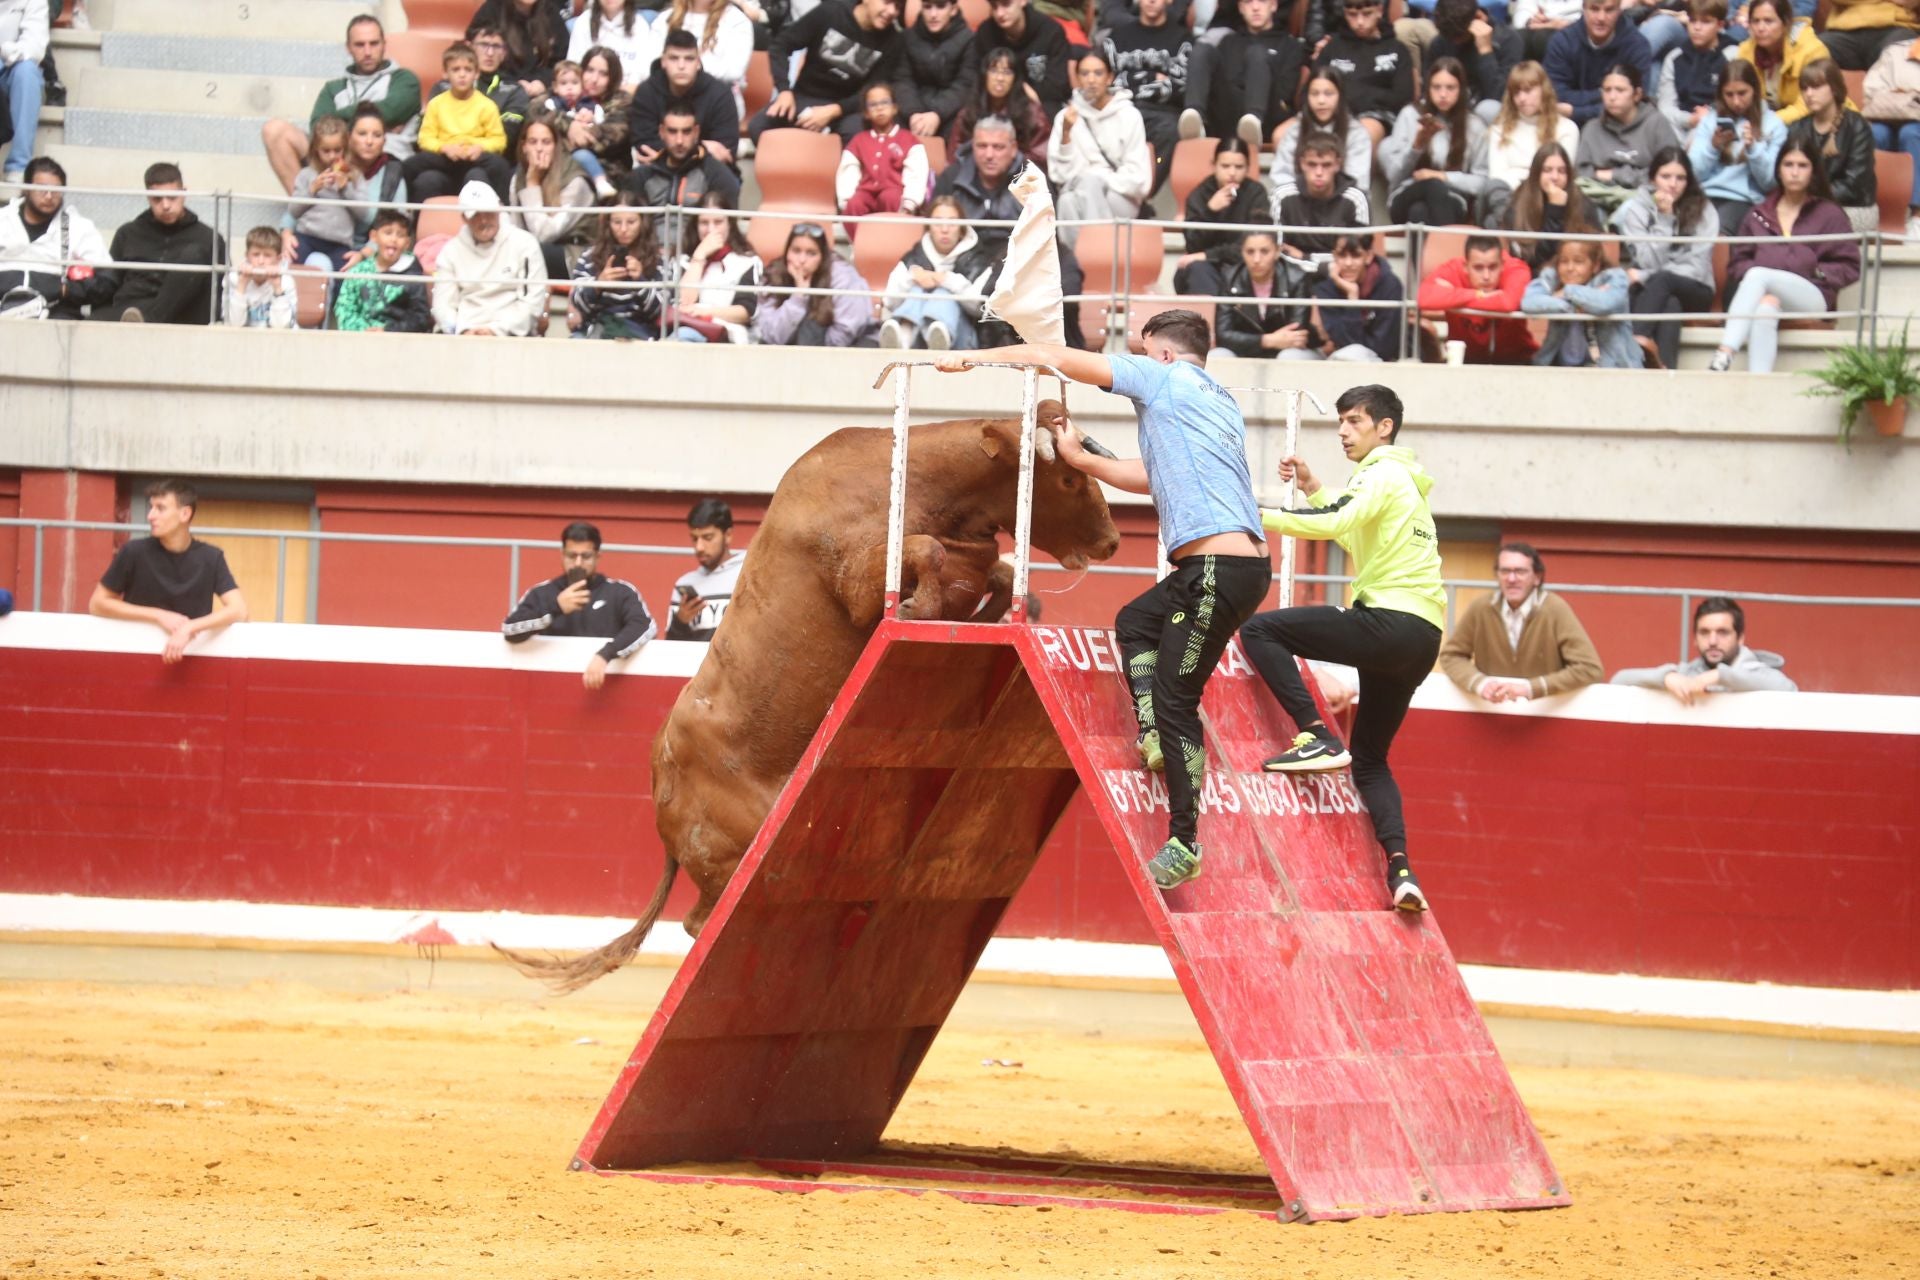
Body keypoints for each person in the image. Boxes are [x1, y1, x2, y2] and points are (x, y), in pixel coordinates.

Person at [936, 311, 1273, 894]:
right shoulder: (1217, 401)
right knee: (1135, 622)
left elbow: (1056, 357)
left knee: (1177, 699)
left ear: (1162, 354)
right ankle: (1153, 732)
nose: (1134, 362)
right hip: (1229, 566)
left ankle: (1185, 841)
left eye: (1141, 351)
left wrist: (973, 358)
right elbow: (1153, 475)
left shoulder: (1163, 376)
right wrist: (1085, 460)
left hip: (1217, 569)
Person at [1240, 385, 1445, 913]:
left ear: (1384, 427)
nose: (1342, 431)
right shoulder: (1408, 483)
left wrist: (1249, 514)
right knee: (1371, 760)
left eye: (1354, 421)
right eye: (1340, 422)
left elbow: (1334, 523)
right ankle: (1402, 871)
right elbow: (1352, 536)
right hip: (1423, 639)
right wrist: (1312, 488)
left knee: (1260, 631)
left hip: (1390, 621)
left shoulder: (1380, 472)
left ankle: (1316, 735)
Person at [1708, 137, 1860, 371]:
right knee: (1765, 307)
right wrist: (1765, 272)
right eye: (1788, 165)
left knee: (1759, 274)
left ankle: (1725, 352)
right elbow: (1737, 264)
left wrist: (1817, 271)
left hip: (1813, 295)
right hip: (1766, 294)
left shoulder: (1830, 214)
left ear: (1813, 171)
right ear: (1778, 170)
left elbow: (1850, 265)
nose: (1795, 172)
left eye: (1802, 165)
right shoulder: (1758, 213)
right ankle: (1760, 381)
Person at [88, 479, 248, 665]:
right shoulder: (133, 552)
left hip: (192, 660)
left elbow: (239, 610)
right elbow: (97, 604)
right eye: (151, 507)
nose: (150, 515)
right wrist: (159, 615)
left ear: (185, 514)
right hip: (136, 655)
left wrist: (190, 628)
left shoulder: (212, 557)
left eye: (160, 508)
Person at [262, 15, 421, 193]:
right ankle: (303, 202)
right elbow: (319, 129)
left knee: (365, 144)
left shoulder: (404, 80)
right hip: (336, 157)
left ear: (384, 44)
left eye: (374, 43)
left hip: (385, 160)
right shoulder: (333, 88)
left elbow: (390, 112)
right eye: (359, 45)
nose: (368, 51)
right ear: (348, 47)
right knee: (274, 130)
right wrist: (375, 120)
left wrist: (339, 120)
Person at [1439, 543, 1603, 701]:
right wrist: (1480, 683)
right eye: (1505, 571)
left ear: (1537, 577)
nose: (1511, 578)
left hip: (1544, 711)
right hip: (1489, 709)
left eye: (1520, 571)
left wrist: (1530, 688)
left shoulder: (1555, 609)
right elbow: (1451, 656)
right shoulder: (1481, 607)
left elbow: (1589, 668)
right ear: (1497, 575)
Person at [502, 520, 656, 690]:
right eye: (571, 556)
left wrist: (605, 655)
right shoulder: (542, 593)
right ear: (562, 554)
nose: (577, 563)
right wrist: (556, 607)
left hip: (604, 691)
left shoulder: (619, 592)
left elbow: (645, 626)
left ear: (597, 556)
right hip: (550, 689)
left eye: (586, 556)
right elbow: (510, 630)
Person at [1612, 144, 1717, 367]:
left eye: (1680, 178)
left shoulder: (1704, 209)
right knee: (1670, 303)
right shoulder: (1637, 210)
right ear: (1653, 179)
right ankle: (1666, 369)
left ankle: (1636, 342)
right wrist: (1665, 218)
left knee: (1662, 281)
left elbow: (1697, 265)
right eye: (1665, 176)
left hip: (1696, 287)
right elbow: (1647, 260)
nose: (1673, 184)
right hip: (1657, 292)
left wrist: (1646, 275)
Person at [92, 162, 228, 325]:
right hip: (131, 310)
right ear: (148, 197)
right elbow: (108, 284)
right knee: (92, 321)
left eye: (172, 197)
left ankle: (150, 321)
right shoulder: (127, 233)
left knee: (195, 255)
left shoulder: (209, 238)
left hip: (185, 315)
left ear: (184, 193)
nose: (165, 205)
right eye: (157, 199)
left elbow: (221, 292)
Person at [753, 0, 904, 143]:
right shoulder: (831, 12)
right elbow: (780, 46)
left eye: (898, 6)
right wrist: (784, 91)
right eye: (887, 2)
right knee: (758, 126)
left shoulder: (894, 41)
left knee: (858, 136)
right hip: (805, 95)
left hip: (847, 108)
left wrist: (834, 110)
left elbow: (873, 90)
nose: (892, 11)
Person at [1048, 49, 1153, 245]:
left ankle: (1097, 252)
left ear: (1109, 77)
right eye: (1084, 73)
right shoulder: (1065, 118)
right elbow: (1060, 176)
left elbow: (1138, 179)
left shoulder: (1129, 116)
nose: (1091, 80)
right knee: (1066, 201)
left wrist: (1097, 179)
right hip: (1078, 193)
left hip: (1121, 196)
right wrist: (1066, 134)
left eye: (1098, 73)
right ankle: (1086, 259)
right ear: (1077, 78)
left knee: (1088, 185)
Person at [1610, 595, 1797, 698]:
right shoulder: (1688, 674)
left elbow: (1788, 689)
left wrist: (1721, 676)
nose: (1713, 641)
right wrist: (1665, 677)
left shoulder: (1759, 673)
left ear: (1740, 638)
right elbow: (1618, 680)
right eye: (1704, 632)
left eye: (1722, 632)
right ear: (1695, 638)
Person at [1179, 0, 1306, 148]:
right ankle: (1194, 115)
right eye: (1248, 2)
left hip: (1268, 117)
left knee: (1257, 53)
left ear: (1273, 5)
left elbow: (1284, 95)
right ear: (1240, 8)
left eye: (1262, 1)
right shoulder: (1228, 41)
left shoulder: (1290, 46)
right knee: (1202, 50)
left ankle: (1253, 120)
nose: (1255, 7)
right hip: (1227, 114)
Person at [1381, 57, 1493, 224]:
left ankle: (1427, 242)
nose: (1443, 94)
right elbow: (1394, 177)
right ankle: (1448, 241)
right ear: (1428, 88)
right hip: (1406, 194)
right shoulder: (1410, 115)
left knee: (1419, 211)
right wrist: (1416, 147)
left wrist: (1442, 176)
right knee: (1430, 187)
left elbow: (1482, 182)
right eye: (1436, 87)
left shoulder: (1474, 125)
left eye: (1450, 88)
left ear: (1462, 89)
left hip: (1452, 198)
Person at [430, 179, 549, 336]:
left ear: (499, 209)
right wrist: (462, 331)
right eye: (476, 215)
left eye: (488, 212)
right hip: (464, 334)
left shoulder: (525, 243)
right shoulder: (450, 251)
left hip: (512, 334)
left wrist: (495, 330)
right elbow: (442, 305)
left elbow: (532, 303)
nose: (484, 220)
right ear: (464, 218)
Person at [0, 156, 112, 320]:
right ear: (26, 188)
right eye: (42, 189)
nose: (49, 196)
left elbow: (107, 280)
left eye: (56, 190)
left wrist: (66, 289)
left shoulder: (78, 226)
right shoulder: (3, 219)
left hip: (55, 313)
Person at [878, 193, 995, 348]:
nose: (944, 229)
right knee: (916, 290)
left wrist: (947, 280)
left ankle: (938, 337)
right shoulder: (915, 256)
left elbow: (980, 308)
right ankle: (903, 339)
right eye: (938, 223)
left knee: (943, 293)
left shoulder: (978, 259)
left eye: (952, 223)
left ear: (962, 229)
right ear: (929, 227)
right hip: (916, 338)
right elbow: (889, 301)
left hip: (962, 339)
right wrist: (912, 279)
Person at [405, 42, 512, 201]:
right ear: (445, 73)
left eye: (468, 70)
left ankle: (501, 210)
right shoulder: (436, 104)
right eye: (456, 70)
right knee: (418, 172)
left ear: (476, 73)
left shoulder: (487, 105)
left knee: (496, 166)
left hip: (475, 160)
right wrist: (444, 148)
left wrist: (479, 147)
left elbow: (499, 140)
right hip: (444, 161)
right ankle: (409, 214)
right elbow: (425, 139)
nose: (462, 75)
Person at [1104, 0, 1192, 194]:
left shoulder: (1183, 39)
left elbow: (1183, 88)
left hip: (1163, 112)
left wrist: (1129, 80)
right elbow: (1105, 82)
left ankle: (1142, 194)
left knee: (1172, 130)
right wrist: (1153, 78)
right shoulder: (1118, 36)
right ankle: (1114, 188)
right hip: (1121, 108)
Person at [1689, 56, 1786, 230]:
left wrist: (1753, 149)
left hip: (1743, 199)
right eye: (1729, 94)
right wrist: (1713, 147)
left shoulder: (1774, 124)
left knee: (1718, 231)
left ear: (1755, 90)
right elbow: (1692, 173)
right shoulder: (1710, 121)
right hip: (1704, 195)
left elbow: (1769, 183)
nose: (1736, 102)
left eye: (1742, 93)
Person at [626, 100, 742, 244]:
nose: (679, 140)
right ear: (661, 132)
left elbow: (728, 230)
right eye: (672, 131)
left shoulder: (718, 175)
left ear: (696, 132)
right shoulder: (641, 176)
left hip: (700, 254)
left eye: (686, 132)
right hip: (648, 254)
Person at [1787, 56, 1879, 231]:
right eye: (1804, 88)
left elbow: (1855, 185)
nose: (1809, 94)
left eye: (1816, 87)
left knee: (1810, 225)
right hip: (1808, 204)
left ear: (1834, 88)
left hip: (1855, 207)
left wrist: (1811, 196)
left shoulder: (1857, 126)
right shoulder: (1797, 128)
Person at [1416, 232, 1538, 361]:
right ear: (1465, 267)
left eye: (1493, 267)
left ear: (1502, 265)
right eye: (1478, 268)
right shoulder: (1453, 268)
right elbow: (1423, 298)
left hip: (1517, 359)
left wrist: (1453, 294)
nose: (1486, 276)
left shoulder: (1516, 268)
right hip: (1465, 360)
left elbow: (1508, 303)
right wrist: (1478, 294)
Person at [628, 28, 741, 166]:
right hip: (659, 171)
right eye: (674, 58)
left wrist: (666, 155)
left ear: (698, 63)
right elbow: (645, 145)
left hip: (709, 172)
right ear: (663, 61)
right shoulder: (646, 92)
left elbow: (725, 150)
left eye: (689, 59)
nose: (681, 66)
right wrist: (701, 150)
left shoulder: (720, 94)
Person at [1173, 137, 1270, 298]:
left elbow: (1256, 244)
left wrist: (1208, 255)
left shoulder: (1256, 194)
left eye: (1239, 167)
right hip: (1206, 268)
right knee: (1195, 269)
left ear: (1248, 168)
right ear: (1214, 166)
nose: (1232, 173)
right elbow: (1192, 244)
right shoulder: (1200, 194)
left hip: (1244, 265)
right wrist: (1210, 210)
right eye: (1225, 166)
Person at [1521, 236, 1642, 364]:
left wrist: (1568, 292)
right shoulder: (1553, 277)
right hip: (1561, 366)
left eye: (1578, 261)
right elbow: (1529, 303)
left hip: (1611, 366)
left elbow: (1605, 304)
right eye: (1564, 261)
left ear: (1595, 265)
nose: (1570, 268)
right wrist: (1577, 305)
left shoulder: (1615, 277)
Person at [1576, 60, 1681, 207]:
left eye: (1620, 90)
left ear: (1637, 94)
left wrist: (1613, 174)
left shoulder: (1657, 124)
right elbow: (1582, 175)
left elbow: (1670, 173)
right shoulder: (1592, 129)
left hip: (1647, 201)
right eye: (1607, 90)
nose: (1612, 97)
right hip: (1599, 200)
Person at [754, 220, 876, 346]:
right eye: (796, 251)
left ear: (822, 256)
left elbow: (847, 330)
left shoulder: (843, 276)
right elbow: (771, 336)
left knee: (810, 328)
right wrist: (798, 297)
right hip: (789, 346)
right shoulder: (774, 274)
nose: (802, 260)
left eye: (811, 253)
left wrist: (816, 353)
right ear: (787, 252)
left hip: (843, 345)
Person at [1314, 0, 1416, 146]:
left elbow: (1403, 97)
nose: (1360, 22)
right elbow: (1310, 88)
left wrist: (1357, 95)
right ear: (1345, 14)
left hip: (1378, 115)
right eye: (1352, 15)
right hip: (1331, 111)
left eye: (1367, 14)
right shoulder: (1332, 47)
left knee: (1363, 133)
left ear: (1379, 11)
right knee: (1285, 132)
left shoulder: (1397, 49)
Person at [838, 82, 931, 231]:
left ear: (895, 108)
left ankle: (891, 241)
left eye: (884, 103)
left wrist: (910, 202)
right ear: (866, 113)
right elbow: (848, 170)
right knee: (855, 204)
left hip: (894, 192)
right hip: (865, 191)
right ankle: (859, 243)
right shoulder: (858, 140)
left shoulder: (908, 140)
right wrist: (846, 199)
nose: (879, 108)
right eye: (873, 105)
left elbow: (916, 172)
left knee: (890, 198)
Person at [668, 192, 760, 342]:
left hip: (727, 333)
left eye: (718, 222)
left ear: (729, 224)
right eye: (704, 223)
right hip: (687, 328)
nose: (711, 230)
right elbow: (683, 303)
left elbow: (745, 312)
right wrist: (699, 257)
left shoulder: (747, 261)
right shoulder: (683, 260)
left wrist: (705, 312)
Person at [509, 115, 593, 279]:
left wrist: (533, 183)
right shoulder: (518, 178)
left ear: (556, 147)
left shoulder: (575, 180)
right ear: (524, 147)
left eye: (546, 142)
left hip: (574, 256)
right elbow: (516, 228)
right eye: (533, 142)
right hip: (533, 251)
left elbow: (545, 235)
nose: (539, 149)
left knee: (533, 251)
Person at [1215, 229, 1321, 358]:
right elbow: (1222, 336)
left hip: (1291, 351)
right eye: (1250, 252)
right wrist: (1267, 341)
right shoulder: (1230, 278)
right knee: (1217, 355)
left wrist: (1257, 341)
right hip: (1246, 351)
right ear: (1242, 252)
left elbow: (1296, 337)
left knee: (1289, 356)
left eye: (1264, 251)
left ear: (1277, 252)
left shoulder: (1296, 278)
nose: (1256, 259)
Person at [1545, 0, 1654, 125]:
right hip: (1569, 124)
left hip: (1621, 125)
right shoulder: (1562, 42)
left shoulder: (1637, 46)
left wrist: (1576, 112)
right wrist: (1602, 94)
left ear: (1619, 10)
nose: (1601, 18)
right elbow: (1555, 94)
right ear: (1583, 9)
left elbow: (1634, 102)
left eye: (1609, 10)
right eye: (1594, 9)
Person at [1271, 66, 1374, 197]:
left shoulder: (1356, 133)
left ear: (1340, 96)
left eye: (1328, 94)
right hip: (1299, 202)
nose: (1321, 101)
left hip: (1342, 203)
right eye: (1314, 94)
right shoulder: (1294, 131)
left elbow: (1358, 182)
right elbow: (1282, 178)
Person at [1502, 141, 1604, 270]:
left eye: (1561, 171)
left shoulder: (1582, 203)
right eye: (1547, 170)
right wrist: (1555, 210)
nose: (1555, 177)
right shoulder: (1519, 204)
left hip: (1574, 273)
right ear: (1536, 173)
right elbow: (1535, 259)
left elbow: (1594, 250)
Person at [644, 0, 757, 117]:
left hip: (717, 105)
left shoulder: (737, 21)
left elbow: (734, 71)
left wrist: (682, 69)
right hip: (667, 101)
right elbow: (651, 64)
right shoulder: (665, 18)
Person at [947, 46, 1053, 170]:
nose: (1000, 78)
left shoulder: (1031, 112)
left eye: (1007, 72)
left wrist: (1006, 161)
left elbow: (1042, 157)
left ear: (1015, 78)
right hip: (976, 175)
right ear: (984, 75)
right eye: (993, 71)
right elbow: (954, 158)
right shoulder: (969, 112)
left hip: (1019, 175)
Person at [331, 208, 432, 332]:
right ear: (374, 236)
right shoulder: (358, 272)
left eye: (400, 235)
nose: (393, 239)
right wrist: (365, 331)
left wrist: (388, 330)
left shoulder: (413, 275)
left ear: (407, 243)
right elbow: (344, 308)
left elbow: (420, 318)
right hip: (360, 337)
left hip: (397, 338)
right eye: (388, 233)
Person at [1489, 60, 1581, 195]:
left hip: (1549, 196)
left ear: (1544, 90)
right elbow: (1496, 178)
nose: (1521, 98)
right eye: (1516, 93)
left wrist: (1517, 175)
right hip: (1507, 196)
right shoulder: (1499, 130)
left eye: (1528, 90)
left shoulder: (1567, 129)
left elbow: (1559, 177)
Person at [280, 117, 360, 272]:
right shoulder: (306, 175)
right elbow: (293, 210)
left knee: (344, 274)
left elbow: (363, 214)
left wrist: (346, 189)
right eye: (326, 151)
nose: (332, 156)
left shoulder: (354, 176)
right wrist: (312, 190)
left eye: (337, 150)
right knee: (292, 263)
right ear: (316, 150)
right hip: (307, 237)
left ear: (345, 148)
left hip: (339, 243)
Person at [972, 0, 1075, 120]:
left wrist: (1023, 93)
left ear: (1022, 1)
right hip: (998, 103)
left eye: (1006, 4)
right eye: (994, 7)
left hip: (1042, 102)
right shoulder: (986, 32)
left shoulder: (1051, 31)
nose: (1000, 13)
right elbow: (978, 79)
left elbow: (1058, 85)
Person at [1734, 0, 1833, 125]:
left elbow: (1810, 105)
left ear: (1786, 24)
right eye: (1755, 21)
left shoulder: (1812, 51)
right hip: (1771, 122)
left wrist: (1768, 123)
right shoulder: (1746, 51)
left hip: (1818, 122)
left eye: (1768, 21)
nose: (1760, 28)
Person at [894, 0, 980, 143]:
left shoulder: (970, 40)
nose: (933, 14)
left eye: (940, 7)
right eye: (927, 7)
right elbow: (902, 79)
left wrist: (937, 114)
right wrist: (914, 113)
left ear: (953, 10)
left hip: (950, 111)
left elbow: (965, 84)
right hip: (913, 110)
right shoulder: (907, 37)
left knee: (963, 123)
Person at [1310, 232, 1405, 360]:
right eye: (1342, 255)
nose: (1348, 263)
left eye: (1356, 255)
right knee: (1291, 355)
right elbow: (1341, 340)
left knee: (1351, 354)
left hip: (1379, 360)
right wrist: (1352, 297)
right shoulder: (1326, 288)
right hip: (1339, 356)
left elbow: (1383, 347)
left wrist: (1353, 301)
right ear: (1334, 256)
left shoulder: (1390, 285)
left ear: (1368, 256)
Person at [1425, 0, 1526, 120]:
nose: (1454, 42)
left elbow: (1500, 96)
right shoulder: (1441, 41)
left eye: (1459, 36)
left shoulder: (1508, 40)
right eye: (1449, 38)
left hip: (1488, 116)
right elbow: (1428, 88)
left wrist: (1485, 52)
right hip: (1449, 111)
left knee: (1488, 108)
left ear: (1478, 17)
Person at [1863, 34, 1920, 238]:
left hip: (1914, 128)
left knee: (1910, 133)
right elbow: (1870, 89)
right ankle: (1872, 212)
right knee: (1876, 133)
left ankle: (1917, 215)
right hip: (1889, 118)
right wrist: (1903, 96)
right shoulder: (1895, 52)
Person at [1276, 134, 1370, 257]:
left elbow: (1357, 257)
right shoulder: (1282, 196)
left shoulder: (1355, 199)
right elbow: (1276, 252)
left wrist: (1306, 257)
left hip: (1341, 269)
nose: (1319, 172)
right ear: (1302, 164)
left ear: (1337, 165)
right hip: (1291, 268)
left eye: (1326, 165)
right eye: (1312, 164)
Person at [540, 59, 620, 201]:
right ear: (555, 87)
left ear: (582, 85)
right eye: (564, 83)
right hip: (558, 150)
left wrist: (590, 121)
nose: (569, 88)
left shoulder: (592, 106)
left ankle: (601, 183)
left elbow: (602, 125)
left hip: (583, 149)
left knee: (584, 156)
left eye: (575, 83)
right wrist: (571, 122)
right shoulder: (551, 103)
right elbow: (547, 119)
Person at [667, 498, 745, 641]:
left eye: (707, 537)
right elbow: (672, 646)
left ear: (728, 535)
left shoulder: (748, 575)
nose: (699, 547)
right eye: (694, 539)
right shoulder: (684, 584)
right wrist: (680, 622)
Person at [1657, 0, 1737, 138]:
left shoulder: (1733, 55)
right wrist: (1690, 120)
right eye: (1693, 21)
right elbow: (1665, 107)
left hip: (1717, 125)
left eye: (1705, 22)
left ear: (1720, 25)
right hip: (1681, 125)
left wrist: (1710, 116)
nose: (1697, 28)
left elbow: (1738, 101)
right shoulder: (1675, 57)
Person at [453, 23, 533, 150]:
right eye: (484, 45)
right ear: (470, 47)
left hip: (492, 156)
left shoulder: (514, 91)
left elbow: (507, 134)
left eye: (496, 46)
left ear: (504, 53)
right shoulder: (446, 86)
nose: (490, 53)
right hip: (448, 153)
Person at [566, 47, 636, 189]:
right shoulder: (569, 91)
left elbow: (612, 135)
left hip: (609, 172)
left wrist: (573, 134)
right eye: (589, 70)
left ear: (613, 78)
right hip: (563, 165)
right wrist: (569, 126)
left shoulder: (623, 100)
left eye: (603, 74)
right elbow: (538, 111)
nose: (594, 79)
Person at [470, 0, 567, 98]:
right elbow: (478, 56)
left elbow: (560, 60)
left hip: (541, 92)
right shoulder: (492, 9)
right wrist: (513, 84)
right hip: (499, 88)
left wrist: (542, 82)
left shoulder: (550, 11)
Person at [0, 0, 47, 183]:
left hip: (10, 67)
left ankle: (18, 166)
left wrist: (5, 52)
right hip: (9, 57)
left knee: (28, 72)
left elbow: (34, 47)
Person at [222, 226, 298, 330]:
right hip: (242, 338)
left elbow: (281, 328)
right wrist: (241, 286)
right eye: (256, 255)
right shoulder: (234, 278)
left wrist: (277, 289)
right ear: (247, 256)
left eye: (267, 255)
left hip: (274, 339)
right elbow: (234, 324)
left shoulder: (286, 281)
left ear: (278, 258)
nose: (261, 261)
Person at [567, 0, 654, 87]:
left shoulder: (639, 25)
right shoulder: (584, 21)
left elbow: (643, 71)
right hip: (588, 89)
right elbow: (574, 64)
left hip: (626, 90)